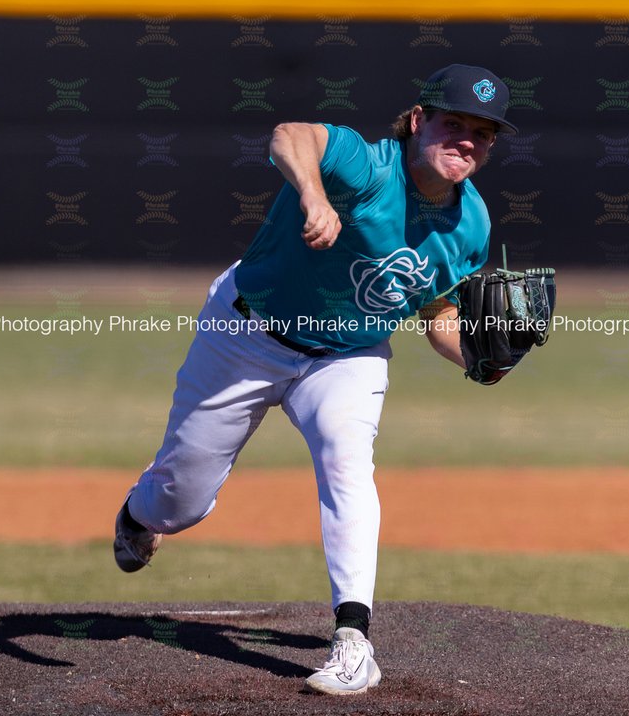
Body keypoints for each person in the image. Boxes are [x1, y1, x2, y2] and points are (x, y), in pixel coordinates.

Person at [112, 64, 516, 695]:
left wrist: (480, 359)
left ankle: (353, 640)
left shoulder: (471, 226)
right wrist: (314, 194)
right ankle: (140, 515)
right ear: (417, 121)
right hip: (247, 335)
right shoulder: (368, 164)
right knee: (180, 500)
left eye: (482, 133)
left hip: (347, 355)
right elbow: (289, 135)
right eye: (452, 122)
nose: (466, 140)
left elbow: (435, 312)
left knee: (347, 462)